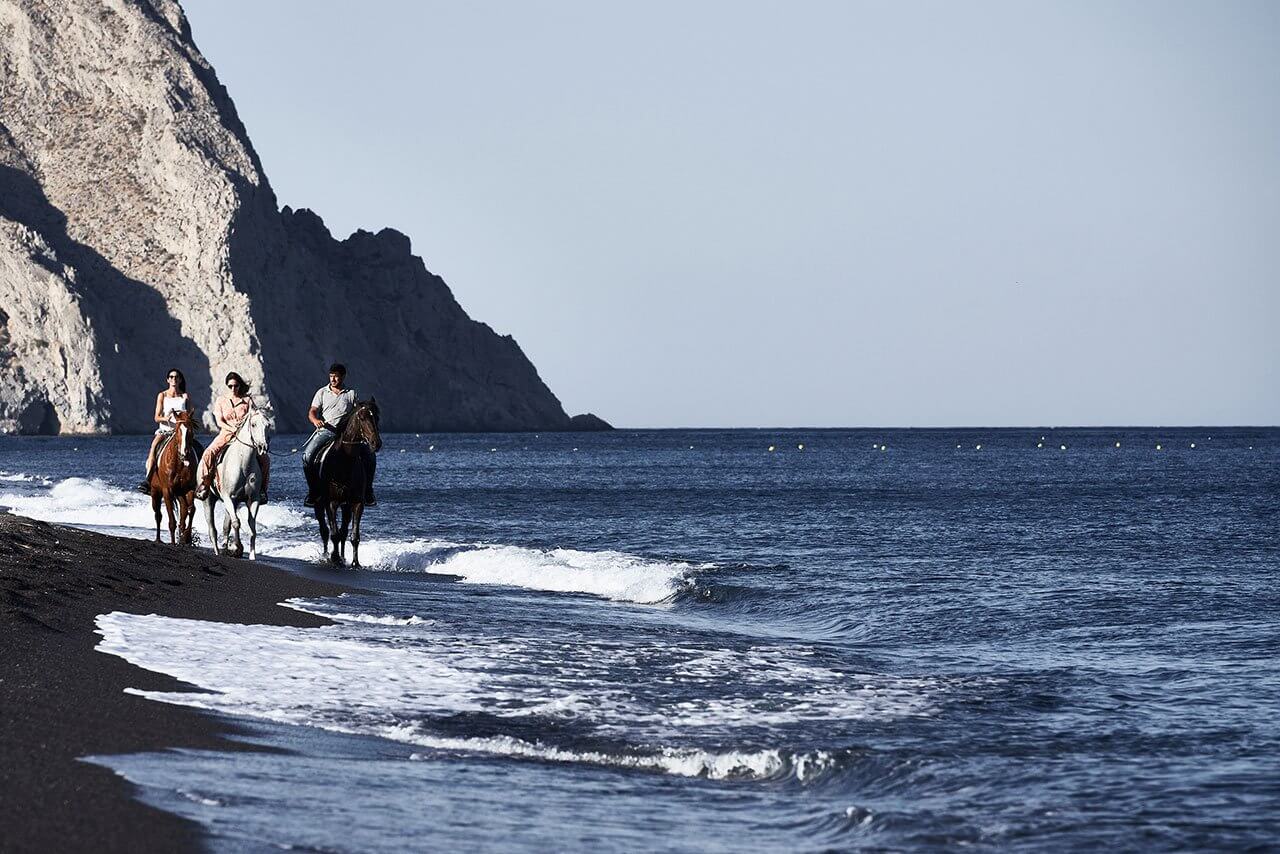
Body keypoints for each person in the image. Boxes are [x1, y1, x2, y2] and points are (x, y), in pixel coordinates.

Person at [302, 362, 376, 507]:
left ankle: (368, 491)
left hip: (346, 434)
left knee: (370, 457)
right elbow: (312, 412)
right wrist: (316, 420)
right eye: (331, 377)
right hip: (327, 431)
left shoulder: (351, 393)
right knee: (307, 456)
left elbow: (357, 413)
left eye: (336, 377)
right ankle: (313, 492)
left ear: (343, 377)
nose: (333, 380)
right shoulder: (321, 392)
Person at [194, 372, 270, 502]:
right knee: (208, 453)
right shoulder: (221, 400)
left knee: (265, 459)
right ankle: (205, 484)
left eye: (236, 386)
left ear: (240, 386)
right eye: (230, 386)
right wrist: (232, 428)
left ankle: (262, 490)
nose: (233, 389)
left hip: (245, 436)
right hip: (226, 433)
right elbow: (219, 421)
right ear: (227, 386)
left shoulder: (247, 400)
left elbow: (254, 416)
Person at [138, 368, 200, 493]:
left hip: (181, 432)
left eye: (176, 377)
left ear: (180, 380)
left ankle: (199, 480)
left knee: (198, 449)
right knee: (154, 448)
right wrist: (166, 418)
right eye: (171, 377)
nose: (174, 379)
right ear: (167, 380)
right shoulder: (162, 395)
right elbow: (156, 417)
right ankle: (148, 479)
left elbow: (190, 414)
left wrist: (186, 421)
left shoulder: (185, 396)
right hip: (165, 431)